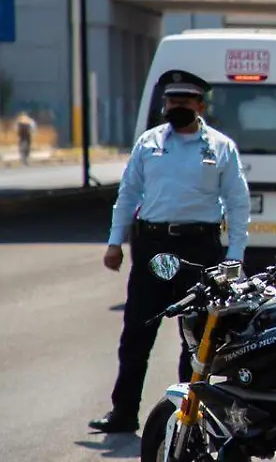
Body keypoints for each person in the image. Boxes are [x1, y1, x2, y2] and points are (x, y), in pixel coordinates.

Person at [89, 69, 252, 434]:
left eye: (183, 101)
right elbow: (128, 193)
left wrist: (235, 256)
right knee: (136, 333)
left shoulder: (220, 147)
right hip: (152, 246)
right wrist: (115, 242)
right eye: (170, 100)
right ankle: (124, 411)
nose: (175, 106)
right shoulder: (149, 143)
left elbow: (237, 204)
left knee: (195, 338)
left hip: (198, 249)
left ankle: (189, 416)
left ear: (199, 105)